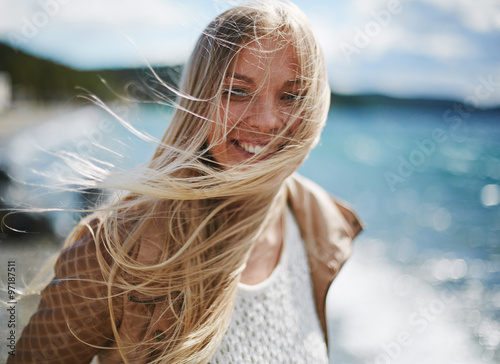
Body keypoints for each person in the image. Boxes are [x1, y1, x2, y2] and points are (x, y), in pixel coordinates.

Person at [10, 1, 362, 363]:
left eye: (291, 96)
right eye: (237, 91)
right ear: (198, 99)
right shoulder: (118, 248)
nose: (268, 120)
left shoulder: (316, 220)